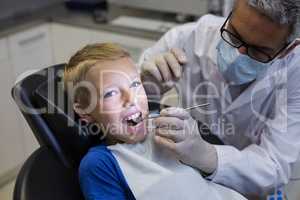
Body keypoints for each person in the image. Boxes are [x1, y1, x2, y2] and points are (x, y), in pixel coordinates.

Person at [140, 0, 300, 198]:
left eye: (258, 50)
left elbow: (274, 166)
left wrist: (208, 156)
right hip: (184, 179)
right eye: (234, 34)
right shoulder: (187, 37)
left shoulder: (295, 76)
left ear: (289, 48)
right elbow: (120, 107)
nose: (237, 55)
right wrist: (145, 87)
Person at [63, 43, 247, 200]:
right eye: (111, 93)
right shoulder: (100, 163)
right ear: (85, 111)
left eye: (135, 84)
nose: (130, 99)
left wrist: (199, 151)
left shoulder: (167, 128)